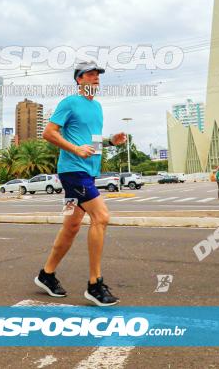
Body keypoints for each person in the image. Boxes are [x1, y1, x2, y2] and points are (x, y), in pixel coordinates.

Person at [35, 60, 126, 306]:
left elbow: (91, 143)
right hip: (73, 172)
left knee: (72, 226)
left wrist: (110, 142)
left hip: (89, 171)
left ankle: (47, 274)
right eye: (90, 74)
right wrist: (75, 149)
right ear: (79, 79)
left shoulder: (97, 108)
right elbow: (49, 132)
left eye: (98, 74)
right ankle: (95, 284)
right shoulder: (69, 103)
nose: (96, 77)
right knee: (102, 217)